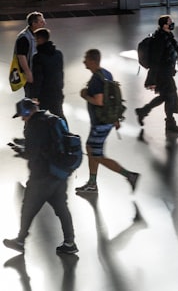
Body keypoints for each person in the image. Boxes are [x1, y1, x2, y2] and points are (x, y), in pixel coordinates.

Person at [3, 98, 77, 255]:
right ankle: (70, 242)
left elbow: (32, 152)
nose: (22, 119)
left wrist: (21, 151)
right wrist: (24, 142)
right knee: (62, 209)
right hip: (60, 173)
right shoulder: (51, 119)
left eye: (22, 115)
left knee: (28, 208)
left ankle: (20, 240)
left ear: (26, 112)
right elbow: (47, 142)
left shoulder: (33, 126)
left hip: (42, 177)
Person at [75, 49, 140, 195]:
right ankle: (92, 183)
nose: (84, 61)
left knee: (96, 155)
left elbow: (99, 101)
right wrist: (115, 119)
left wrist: (84, 95)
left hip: (100, 123)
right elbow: (113, 98)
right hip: (108, 120)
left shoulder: (96, 81)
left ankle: (129, 175)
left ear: (92, 61)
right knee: (92, 150)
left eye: (86, 59)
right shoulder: (106, 74)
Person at [136, 15, 178, 134]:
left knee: (165, 97)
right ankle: (170, 124)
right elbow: (155, 61)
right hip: (162, 73)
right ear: (164, 25)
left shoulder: (168, 36)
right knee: (170, 96)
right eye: (170, 22)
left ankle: (143, 111)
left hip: (167, 72)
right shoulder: (160, 39)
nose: (172, 23)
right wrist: (151, 79)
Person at [31, 28, 65, 119]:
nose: (35, 42)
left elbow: (38, 78)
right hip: (57, 93)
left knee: (38, 119)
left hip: (44, 95)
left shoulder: (38, 57)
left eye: (35, 39)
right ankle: (65, 132)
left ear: (40, 39)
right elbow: (60, 73)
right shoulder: (58, 54)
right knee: (59, 117)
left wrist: (35, 96)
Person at [13, 11, 45, 100]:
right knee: (31, 97)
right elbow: (21, 56)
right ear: (34, 23)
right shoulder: (24, 37)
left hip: (36, 72)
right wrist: (28, 72)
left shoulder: (36, 35)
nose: (44, 23)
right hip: (30, 72)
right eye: (41, 22)